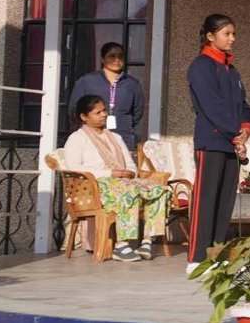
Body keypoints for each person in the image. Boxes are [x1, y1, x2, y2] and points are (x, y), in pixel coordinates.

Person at [63, 94, 170, 262]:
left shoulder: (116, 138)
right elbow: (73, 167)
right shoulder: (77, 138)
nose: (104, 115)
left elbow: (130, 164)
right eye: (98, 112)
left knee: (159, 190)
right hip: (94, 186)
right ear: (84, 117)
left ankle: (147, 241)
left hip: (122, 181)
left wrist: (129, 173)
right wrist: (110, 173)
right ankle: (122, 244)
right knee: (128, 191)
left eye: (104, 110)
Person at [186, 13, 250, 272]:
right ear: (210, 36)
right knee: (206, 201)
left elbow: (243, 105)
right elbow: (211, 106)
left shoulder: (231, 70)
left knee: (225, 202)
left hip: (230, 142)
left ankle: (217, 254)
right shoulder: (201, 66)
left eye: (233, 33)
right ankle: (197, 259)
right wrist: (235, 133)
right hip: (211, 142)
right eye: (227, 33)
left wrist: (245, 129)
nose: (232, 38)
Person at [68, 42, 144, 152]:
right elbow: (74, 109)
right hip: (92, 137)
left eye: (120, 56)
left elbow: (137, 113)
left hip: (123, 138)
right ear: (103, 59)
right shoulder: (87, 81)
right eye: (112, 56)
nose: (117, 60)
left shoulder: (132, 84)